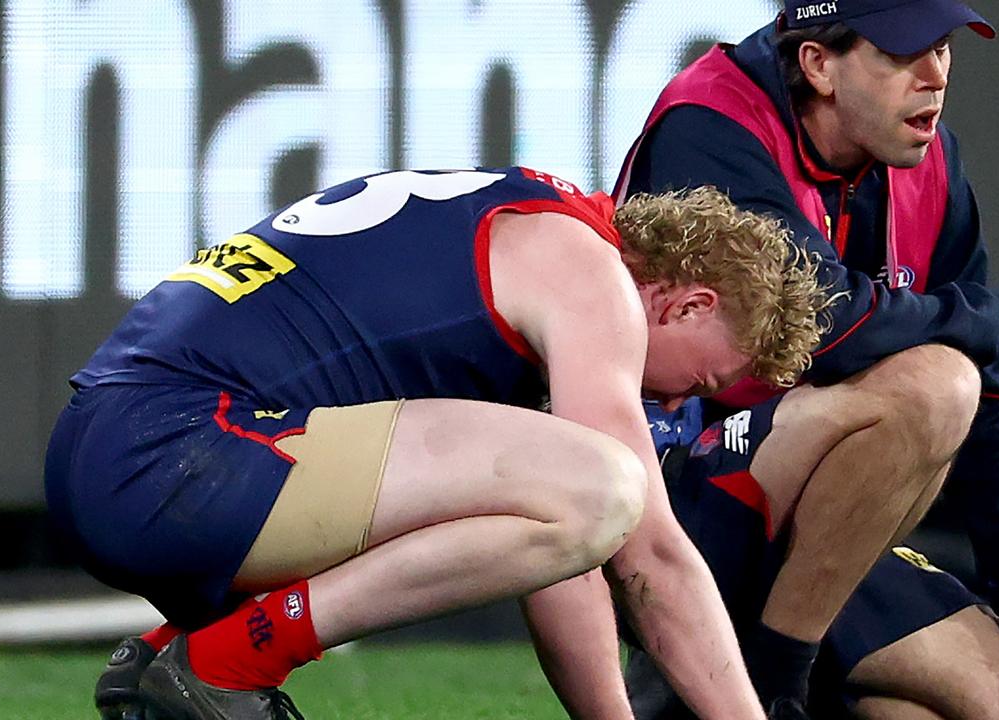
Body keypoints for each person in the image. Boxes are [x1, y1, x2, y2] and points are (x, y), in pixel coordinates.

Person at [45, 166, 833, 720]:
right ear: (687, 303)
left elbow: (569, 559)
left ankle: (173, 650)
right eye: (696, 384)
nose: (670, 405)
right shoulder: (591, 279)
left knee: (586, 490)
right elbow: (645, 550)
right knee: (609, 485)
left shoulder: (523, 225)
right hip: (179, 453)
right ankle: (227, 662)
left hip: (119, 446)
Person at [614, 2, 999, 720]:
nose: (934, 75)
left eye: (942, 47)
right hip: (665, 500)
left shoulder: (930, 160)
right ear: (818, 63)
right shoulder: (713, 120)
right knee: (935, 385)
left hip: (813, 545)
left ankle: (745, 684)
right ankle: (766, 688)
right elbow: (826, 321)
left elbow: (995, 408)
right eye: (901, 53)